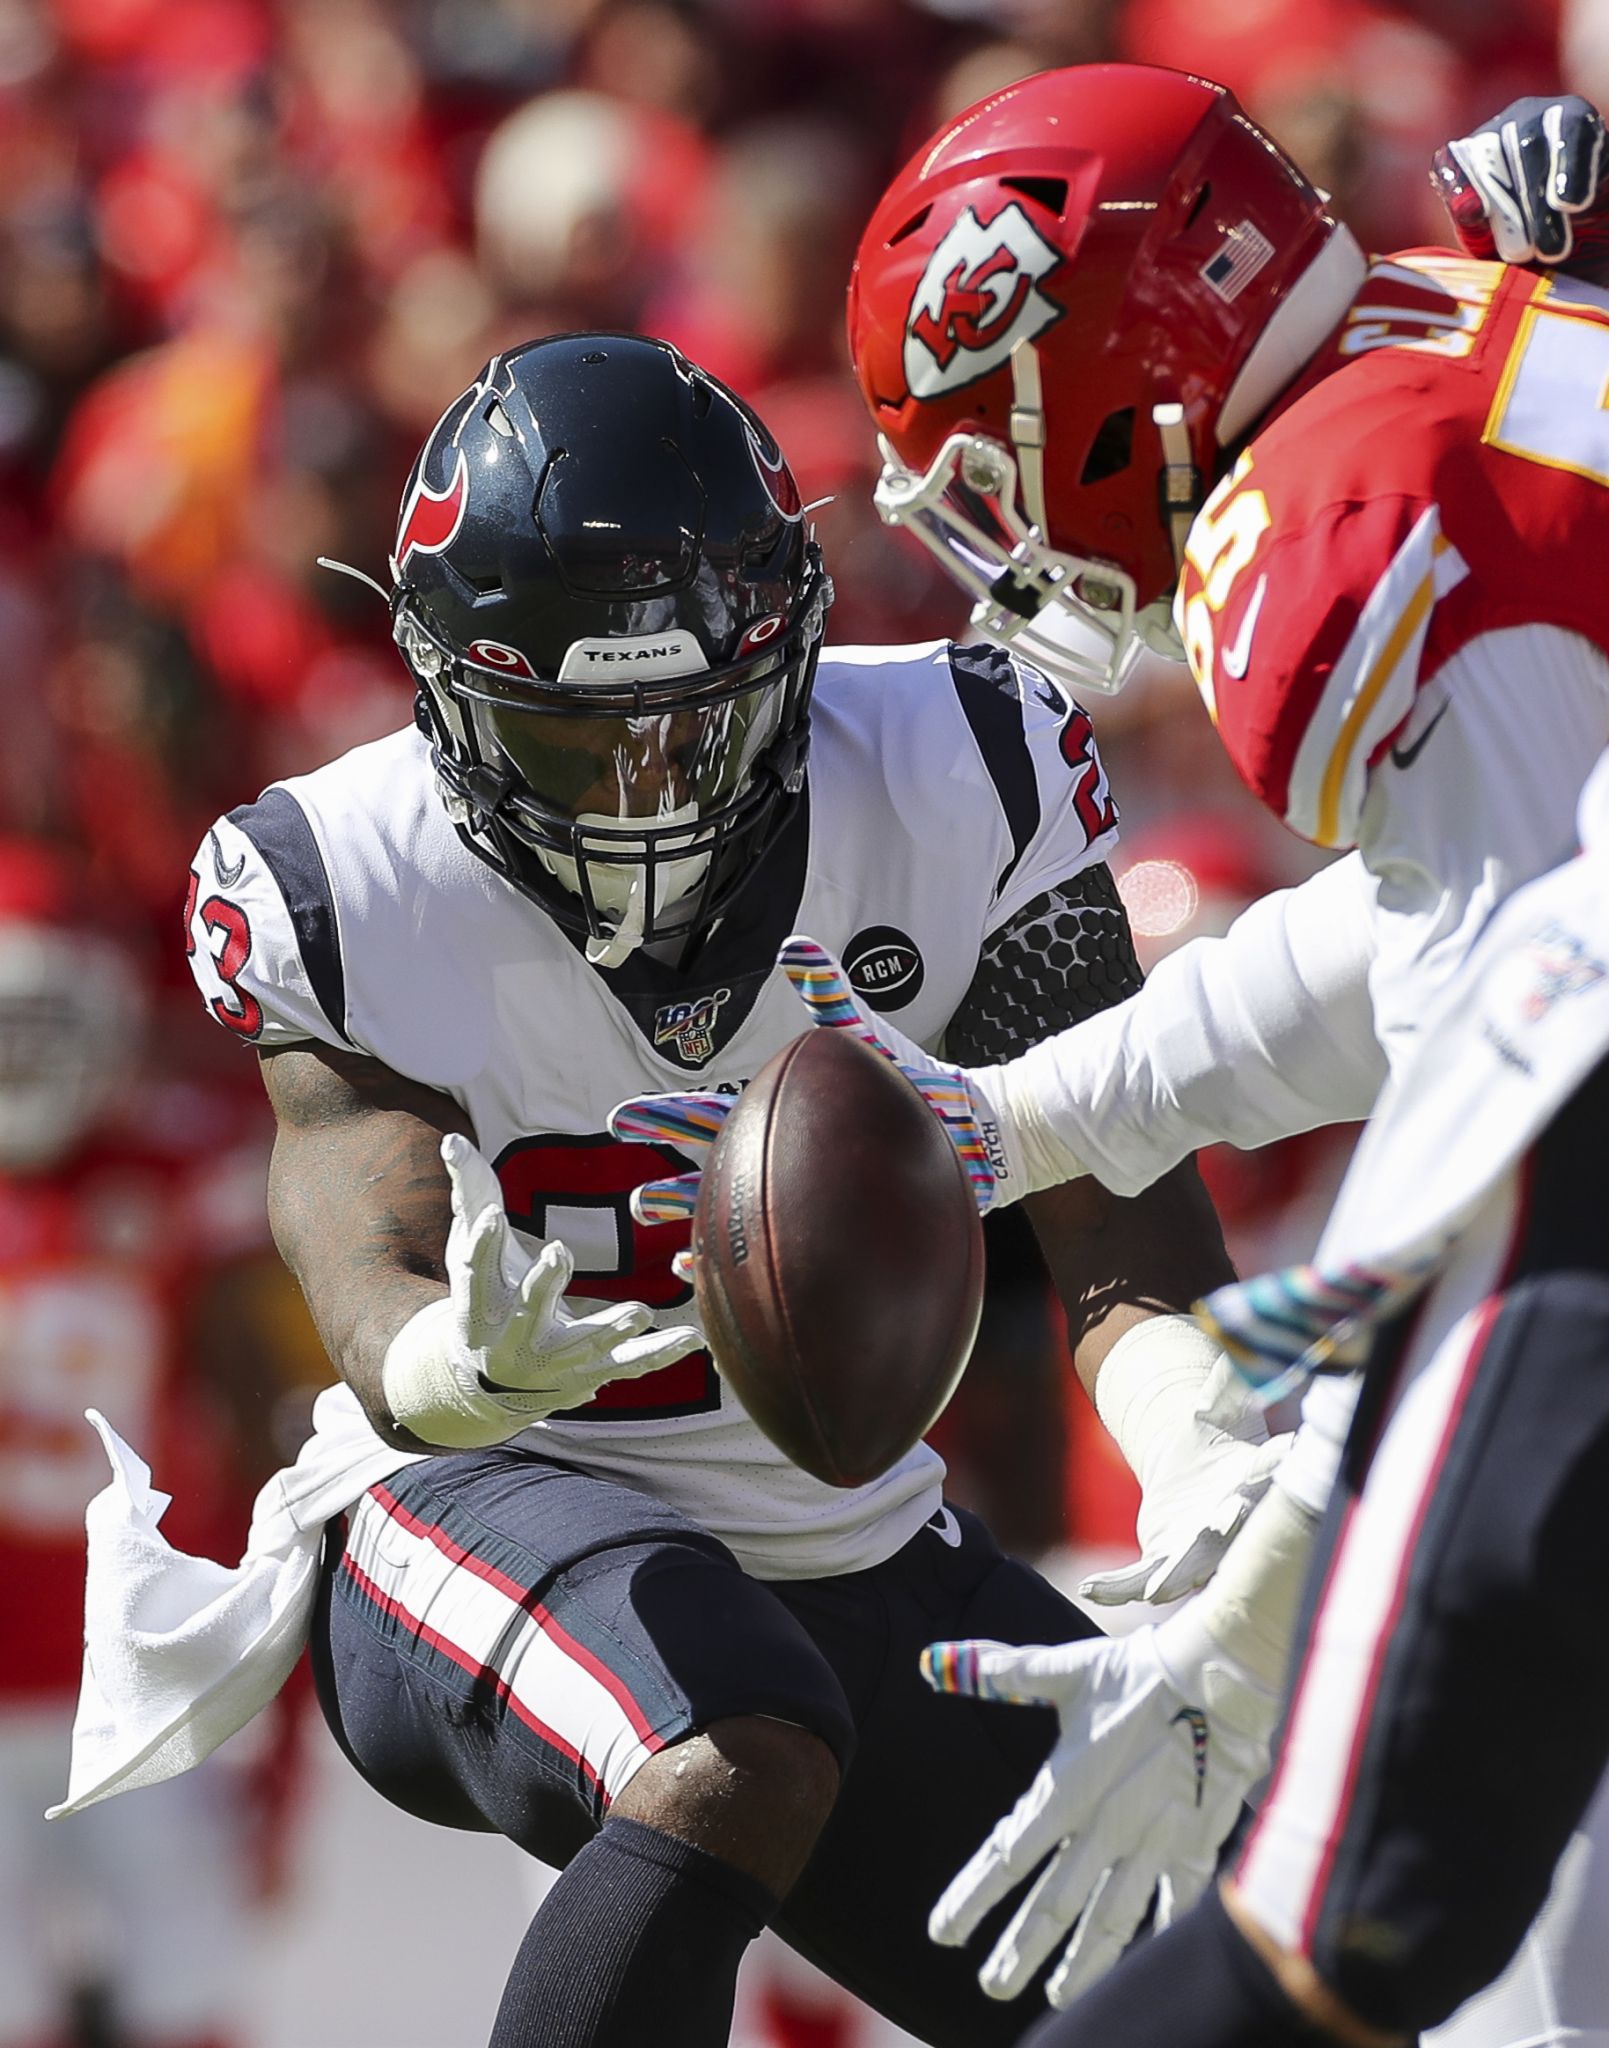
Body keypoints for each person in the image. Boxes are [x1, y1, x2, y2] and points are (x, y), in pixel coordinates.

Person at [52, 332, 1283, 2048]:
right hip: (475, 1502)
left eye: (690, 726)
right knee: (731, 1746)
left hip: (850, 1537)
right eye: (575, 741)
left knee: (1256, 1964)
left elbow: (1113, 1194)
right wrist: (444, 1367)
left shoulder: (962, 762)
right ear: (443, 697)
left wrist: (1200, 1449)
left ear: (790, 644)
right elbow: (362, 1238)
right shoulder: (342, 873)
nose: (647, 789)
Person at [821, 61, 1609, 2048]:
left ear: (1108, 366)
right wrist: (1040, 1108)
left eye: (983, 451)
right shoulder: (1454, 325)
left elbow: (1547, 1008)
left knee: (1354, 1927)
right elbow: (1463, 922)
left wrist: (1320, 1483)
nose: (1000, 528)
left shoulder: (1324, 516)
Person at [0, 839, 291, 2048]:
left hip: (144, 1667)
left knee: (185, 1991)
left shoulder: (180, 1172)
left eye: (44, 1019)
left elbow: (268, 1417)